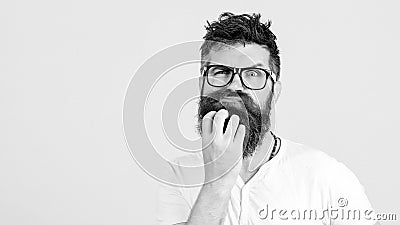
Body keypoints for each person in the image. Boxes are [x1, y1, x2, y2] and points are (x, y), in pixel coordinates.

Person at [157, 12, 379, 225]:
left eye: (253, 74)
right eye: (220, 71)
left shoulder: (327, 176)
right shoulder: (178, 175)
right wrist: (218, 181)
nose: (234, 86)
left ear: (275, 92)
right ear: (201, 84)